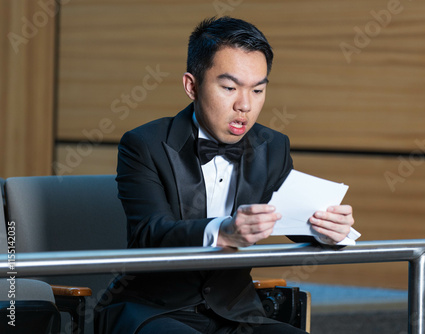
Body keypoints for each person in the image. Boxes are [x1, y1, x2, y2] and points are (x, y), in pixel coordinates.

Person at [95, 16, 354, 334]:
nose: (244, 105)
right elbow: (150, 233)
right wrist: (224, 232)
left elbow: (291, 216)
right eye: (229, 87)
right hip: (154, 311)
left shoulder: (272, 146)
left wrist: (328, 231)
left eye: (258, 90)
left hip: (237, 314)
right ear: (192, 85)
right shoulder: (145, 144)